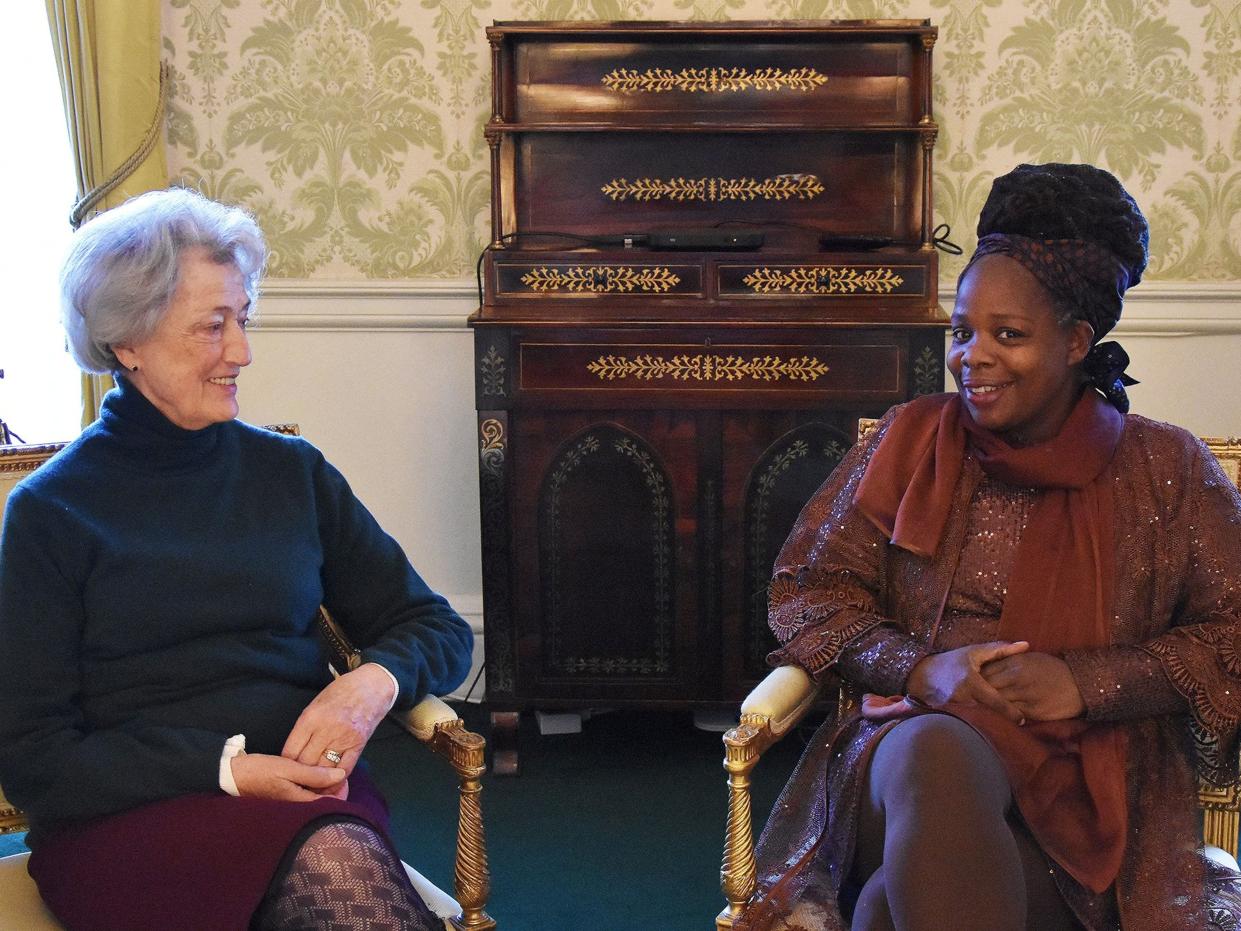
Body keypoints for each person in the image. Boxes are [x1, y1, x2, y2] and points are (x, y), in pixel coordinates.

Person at [738, 164, 1241, 931]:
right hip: (909, 758)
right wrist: (920, 668)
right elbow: (808, 592)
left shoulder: (1165, 468)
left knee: (887, 908)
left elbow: (1231, 630)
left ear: (1076, 341)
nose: (971, 356)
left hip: (1090, 790)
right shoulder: (909, 438)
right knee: (937, 752)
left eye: (1007, 335)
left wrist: (1085, 682)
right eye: (961, 331)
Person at [0, 188, 474, 930]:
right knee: (339, 869)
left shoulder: (291, 473)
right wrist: (225, 770)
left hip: (305, 799)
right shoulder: (54, 512)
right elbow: (35, 759)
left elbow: (435, 626)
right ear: (128, 341)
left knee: (334, 855)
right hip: (129, 821)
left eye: (242, 319)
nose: (242, 351)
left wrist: (370, 684)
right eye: (211, 326)